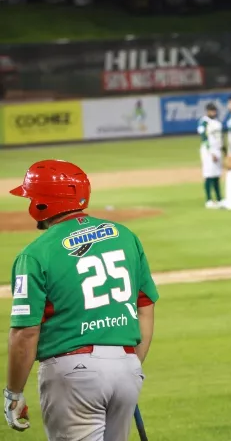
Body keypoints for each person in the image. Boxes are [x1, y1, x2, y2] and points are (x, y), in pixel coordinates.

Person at [3, 159, 159, 440]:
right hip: (127, 367)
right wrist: (129, 365)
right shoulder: (125, 236)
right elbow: (145, 306)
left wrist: (13, 392)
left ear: (40, 203)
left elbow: (25, 332)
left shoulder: (35, 254)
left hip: (73, 373)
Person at [197, 102, 224, 208]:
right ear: (207, 111)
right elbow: (204, 138)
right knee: (208, 174)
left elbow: (220, 138)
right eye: (211, 110)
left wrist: (224, 151)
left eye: (214, 110)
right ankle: (208, 200)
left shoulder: (217, 122)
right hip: (208, 151)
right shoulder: (204, 122)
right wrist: (211, 152)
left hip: (217, 150)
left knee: (217, 175)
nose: (213, 112)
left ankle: (219, 199)